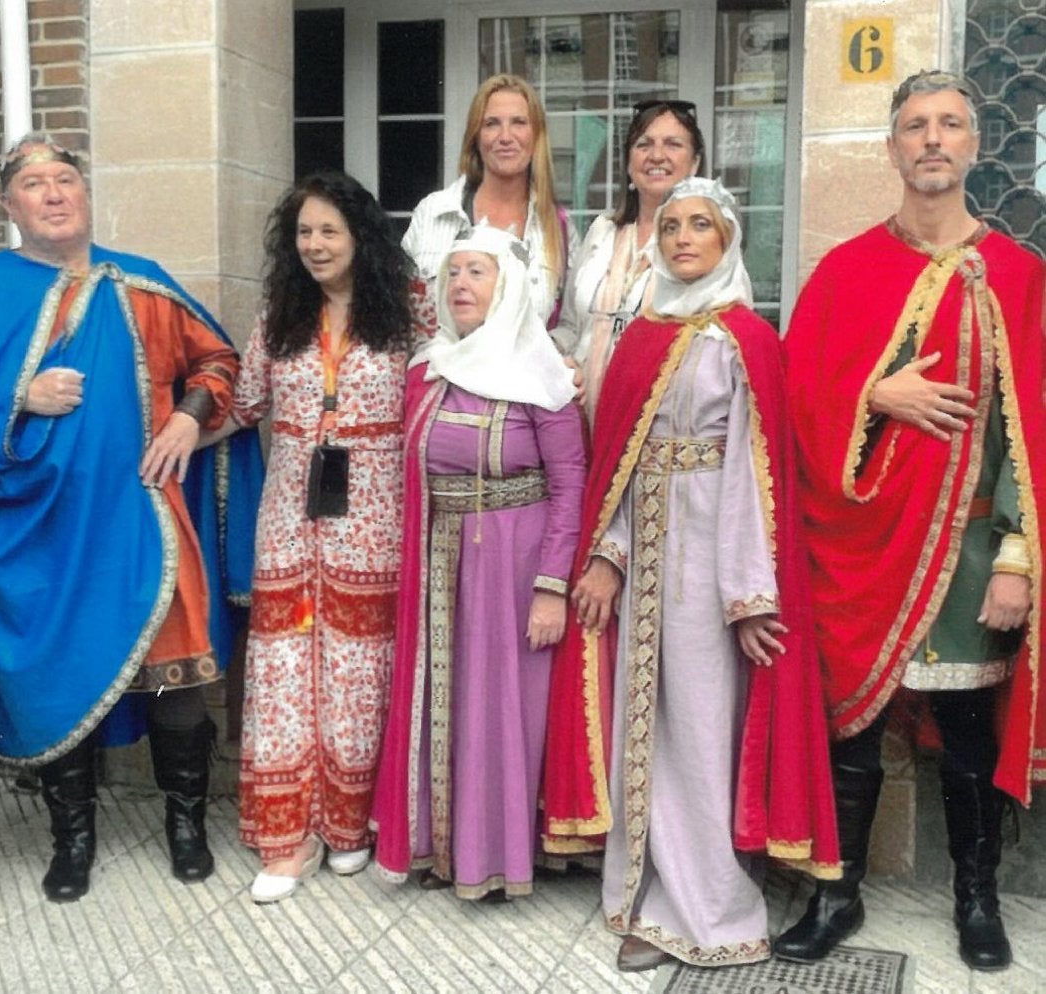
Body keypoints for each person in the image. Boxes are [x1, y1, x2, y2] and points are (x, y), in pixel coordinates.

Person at [0, 133, 261, 902]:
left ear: (86, 193)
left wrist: (187, 418)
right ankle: (71, 838)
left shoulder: (140, 282)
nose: (53, 193)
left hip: (146, 520)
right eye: (34, 183)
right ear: (9, 205)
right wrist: (22, 397)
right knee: (58, 677)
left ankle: (187, 825)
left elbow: (221, 363)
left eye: (66, 179)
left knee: (181, 680)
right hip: (38, 529)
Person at [775, 70, 1045, 972]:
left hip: (969, 550)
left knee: (968, 733)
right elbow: (795, 396)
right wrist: (874, 392)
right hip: (855, 548)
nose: (933, 140)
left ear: (974, 145)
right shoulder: (846, 270)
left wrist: (1016, 554)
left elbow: (1031, 425)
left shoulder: (1016, 274)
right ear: (893, 149)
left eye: (951, 126)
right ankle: (837, 892)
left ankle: (977, 898)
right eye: (916, 127)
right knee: (850, 730)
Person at [542, 178, 840, 971]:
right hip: (642, 560)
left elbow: (754, 470)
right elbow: (620, 460)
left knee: (703, 736)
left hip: (714, 561)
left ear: (727, 239)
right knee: (645, 730)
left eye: (699, 225)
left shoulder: (747, 338)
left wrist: (748, 593)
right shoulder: (642, 337)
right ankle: (644, 893)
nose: (681, 238)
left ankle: (711, 907)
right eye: (669, 226)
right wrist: (606, 554)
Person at [215, 172, 433, 904]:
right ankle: (288, 838)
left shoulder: (410, 308)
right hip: (289, 513)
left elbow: (450, 386)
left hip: (376, 509)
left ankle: (349, 825)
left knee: (361, 668)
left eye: (328, 231)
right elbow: (246, 403)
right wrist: (177, 420)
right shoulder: (280, 311)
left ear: (361, 237)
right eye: (304, 232)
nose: (314, 245)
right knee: (283, 669)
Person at [371, 224, 585, 901]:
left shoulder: (540, 370)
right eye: (453, 273)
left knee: (502, 710)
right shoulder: (426, 369)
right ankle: (441, 849)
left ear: (510, 287)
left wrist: (552, 587)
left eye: (478, 272)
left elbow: (571, 482)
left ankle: (499, 857)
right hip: (440, 559)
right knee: (445, 703)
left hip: (516, 565)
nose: (461, 284)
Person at [402, 74, 580, 353]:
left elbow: (572, 325)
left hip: (523, 391)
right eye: (491, 124)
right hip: (440, 387)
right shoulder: (433, 213)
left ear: (536, 136)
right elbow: (400, 314)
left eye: (519, 123)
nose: (505, 137)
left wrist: (549, 359)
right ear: (476, 136)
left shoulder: (558, 228)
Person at [570, 100, 704, 423]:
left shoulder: (706, 241)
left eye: (673, 144)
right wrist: (568, 363)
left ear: (695, 163)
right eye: (644, 144)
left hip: (660, 426)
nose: (657, 155)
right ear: (629, 164)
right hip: (582, 419)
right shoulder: (602, 232)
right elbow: (570, 326)